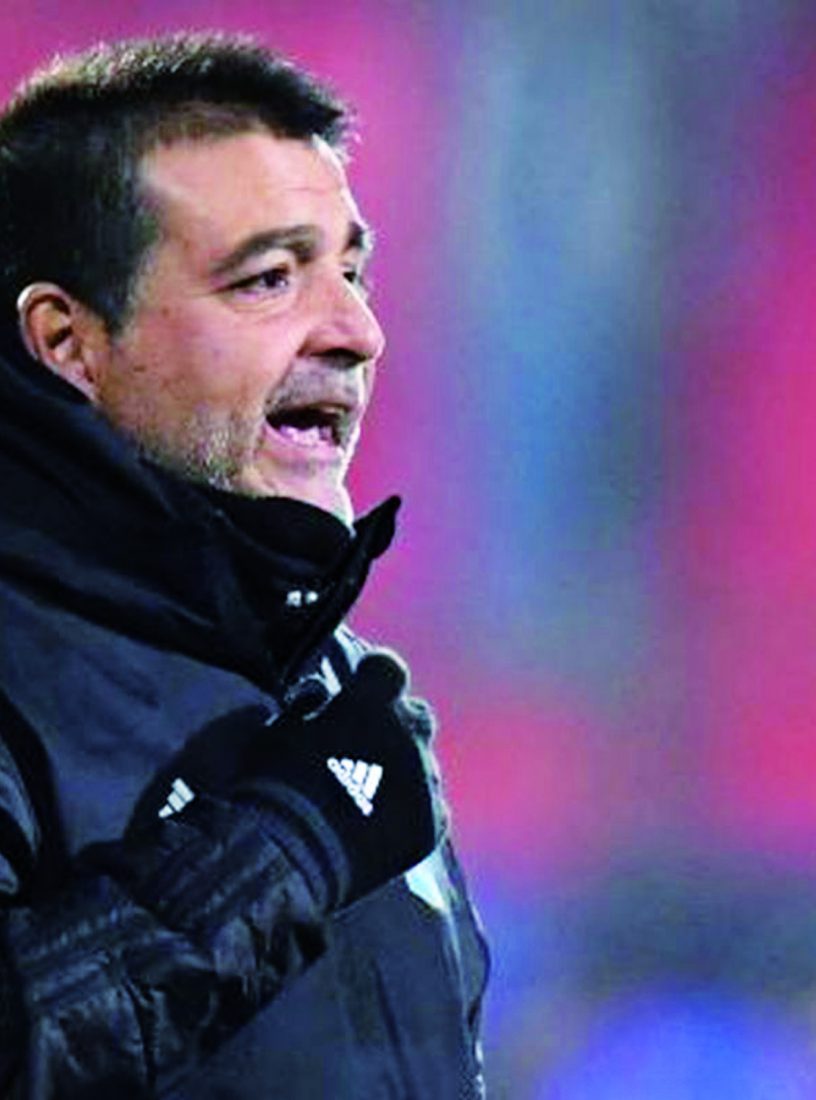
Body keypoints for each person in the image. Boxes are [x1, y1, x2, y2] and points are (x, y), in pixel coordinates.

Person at [0, 32, 488, 1098]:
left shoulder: (347, 701)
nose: (357, 330)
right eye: (268, 279)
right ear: (68, 341)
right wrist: (283, 845)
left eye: (350, 272)